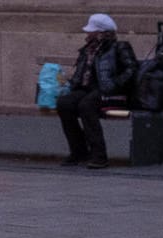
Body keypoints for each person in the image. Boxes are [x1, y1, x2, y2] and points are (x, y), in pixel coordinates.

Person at [57, 12, 136, 169]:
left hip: (109, 91)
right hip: (88, 89)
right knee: (64, 103)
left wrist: (115, 84)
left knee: (86, 106)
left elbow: (131, 69)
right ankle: (79, 151)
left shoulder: (119, 47)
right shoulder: (87, 49)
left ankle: (99, 155)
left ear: (101, 33)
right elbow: (81, 73)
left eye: (91, 30)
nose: (87, 32)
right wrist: (69, 83)